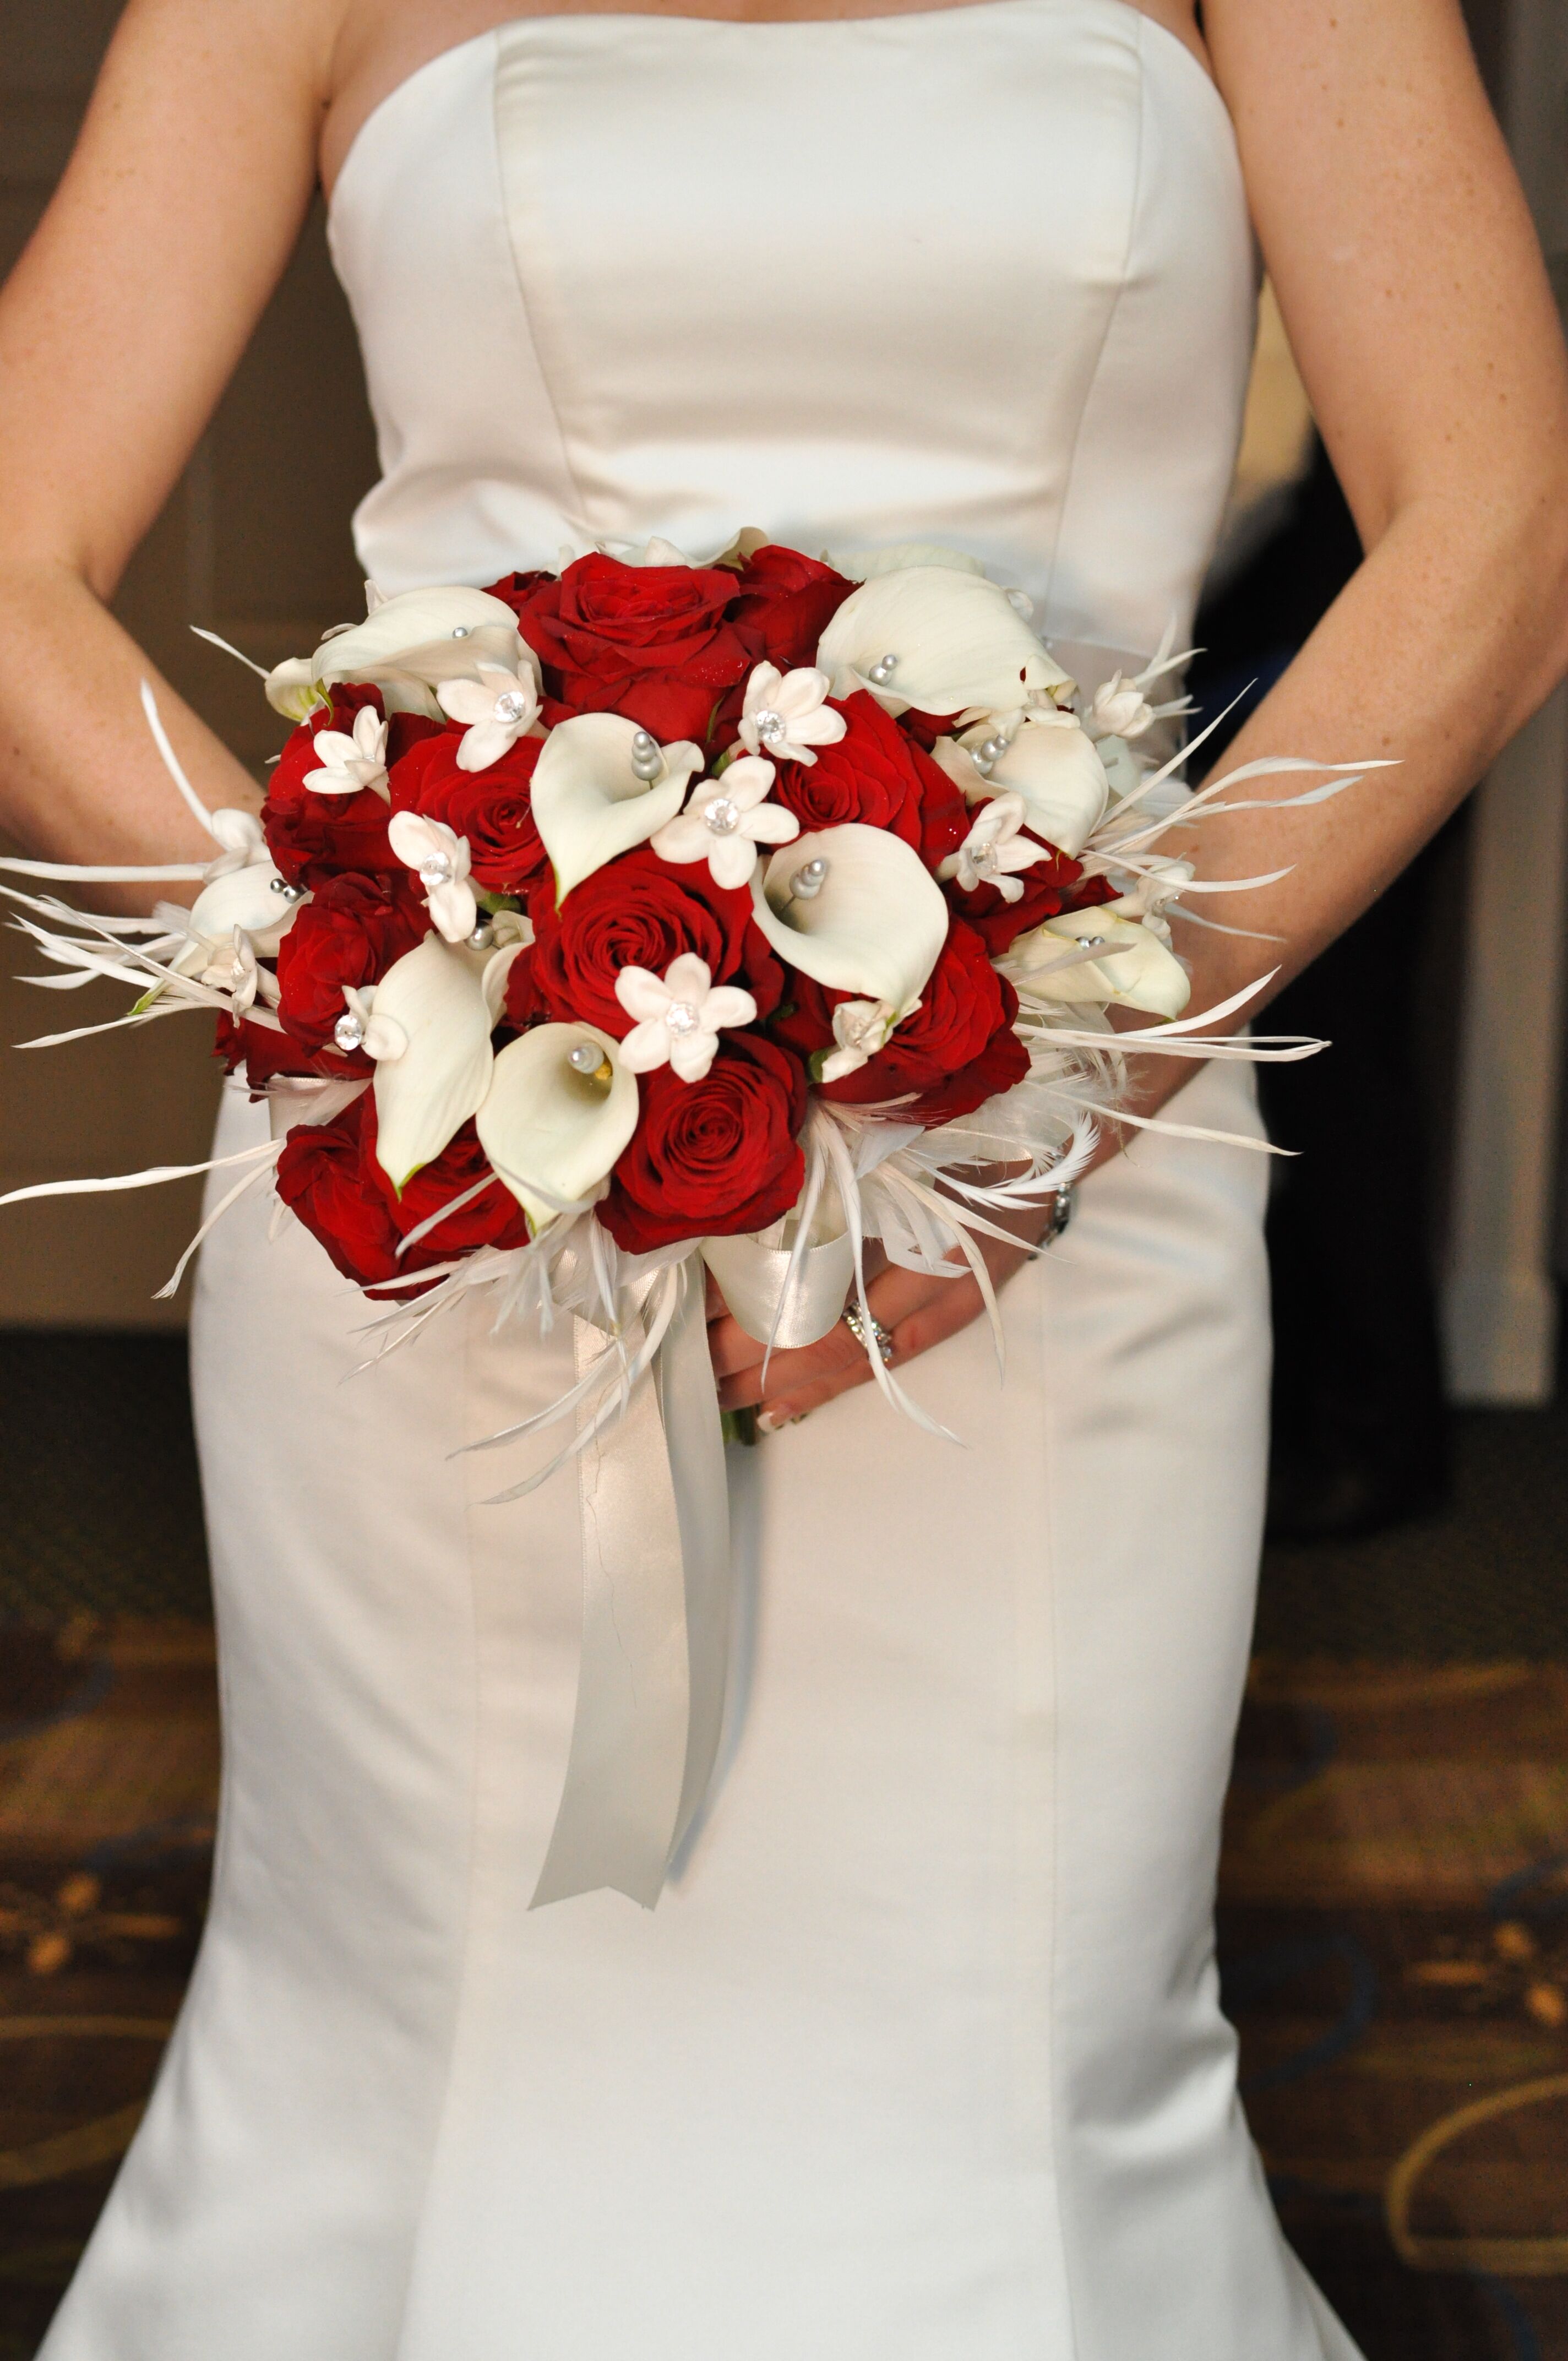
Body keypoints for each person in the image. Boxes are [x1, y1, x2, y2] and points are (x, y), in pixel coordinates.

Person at [0, 1, 1563, 2353]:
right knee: (416, 2035)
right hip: (449, 1189)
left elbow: (1501, 521)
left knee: (1008, 2047)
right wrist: (364, 990)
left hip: (1071, 1185)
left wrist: (1079, 1074)